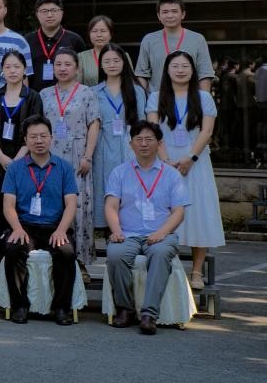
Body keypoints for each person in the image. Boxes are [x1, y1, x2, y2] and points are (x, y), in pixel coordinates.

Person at [146, 50, 224, 290]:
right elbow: (153, 131)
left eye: (185, 66)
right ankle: (170, 267)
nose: (180, 70)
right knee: (164, 213)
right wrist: (166, 161)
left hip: (196, 164)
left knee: (198, 214)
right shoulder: (156, 97)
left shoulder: (203, 97)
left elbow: (207, 131)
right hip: (164, 164)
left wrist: (190, 158)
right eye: (175, 66)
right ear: (167, 70)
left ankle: (197, 272)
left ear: (193, 71)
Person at [105, 121, 189, 335]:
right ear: (131, 144)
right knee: (115, 254)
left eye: (149, 139)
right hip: (128, 234)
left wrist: (161, 233)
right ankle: (125, 309)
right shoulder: (119, 172)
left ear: (159, 144)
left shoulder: (172, 175)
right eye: (139, 139)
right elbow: (111, 206)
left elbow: (178, 212)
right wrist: (116, 230)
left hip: (161, 234)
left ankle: (149, 314)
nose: (143, 144)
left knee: (160, 253)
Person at [0, 116, 79, 325]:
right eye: (33, 136)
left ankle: (61, 308)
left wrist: (61, 230)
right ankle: (19, 306)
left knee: (66, 251)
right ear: (26, 140)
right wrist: (17, 229)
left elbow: (71, 204)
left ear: (51, 137)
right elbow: (8, 205)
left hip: (55, 226)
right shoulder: (15, 168)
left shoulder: (64, 167)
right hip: (25, 226)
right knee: (13, 249)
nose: (39, 140)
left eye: (43, 136)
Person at [0, 50, 44, 269]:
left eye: (17, 66)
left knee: (22, 212)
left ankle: (21, 262)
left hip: (24, 162)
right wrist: (0, 156)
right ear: (2, 70)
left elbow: (35, 129)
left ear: (24, 69)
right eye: (8, 67)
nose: (12, 71)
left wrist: (17, 159)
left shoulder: (33, 97)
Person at [40, 48, 100, 268]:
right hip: (51, 156)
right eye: (58, 64)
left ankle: (80, 262)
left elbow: (94, 124)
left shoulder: (87, 93)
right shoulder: (44, 94)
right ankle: (54, 258)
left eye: (68, 64)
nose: (63, 69)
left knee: (79, 206)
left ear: (77, 68)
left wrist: (88, 156)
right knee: (53, 203)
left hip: (78, 155)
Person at [94, 44, 147, 229]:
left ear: (124, 63)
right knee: (105, 191)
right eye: (107, 61)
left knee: (130, 193)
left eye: (116, 60)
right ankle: (109, 236)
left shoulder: (136, 90)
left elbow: (141, 123)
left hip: (128, 147)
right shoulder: (94, 92)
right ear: (101, 65)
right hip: (102, 148)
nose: (112, 65)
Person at [136, 0, 216, 93]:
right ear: (158, 16)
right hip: (158, 98)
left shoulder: (197, 39)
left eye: (174, 11)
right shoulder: (149, 40)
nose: (170, 15)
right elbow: (142, 74)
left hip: (190, 99)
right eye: (165, 12)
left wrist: (204, 99)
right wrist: (144, 99)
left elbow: (204, 74)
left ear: (183, 14)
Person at [27, 0, 87, 92]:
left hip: (69, 97)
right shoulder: (27, 41)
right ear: (37, 14)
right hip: (35, 97)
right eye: (44, 11)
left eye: (54, 10)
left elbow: (83, 72)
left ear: (62, 13)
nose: (49, 15)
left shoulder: (75, 40)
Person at [78, 15, 135, 87]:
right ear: (89, 34)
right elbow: (77, 86)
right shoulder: (81, 57)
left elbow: (131, 82)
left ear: (111, 34)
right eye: (94, 31)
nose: (99, 35)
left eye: (103, 31)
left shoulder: (123, 55)